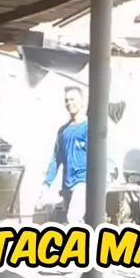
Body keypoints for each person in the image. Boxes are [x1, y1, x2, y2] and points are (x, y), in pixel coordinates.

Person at [42, 86, 88, 224]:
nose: (69, 103)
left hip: (83, 181)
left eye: (73, 99)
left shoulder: (88, 128)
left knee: (73, 218)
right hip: (67, 184)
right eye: (66, 100)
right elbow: (57, 159)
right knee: (77, 223)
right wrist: (46, 183)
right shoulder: (63, 131)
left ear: (82, 102)